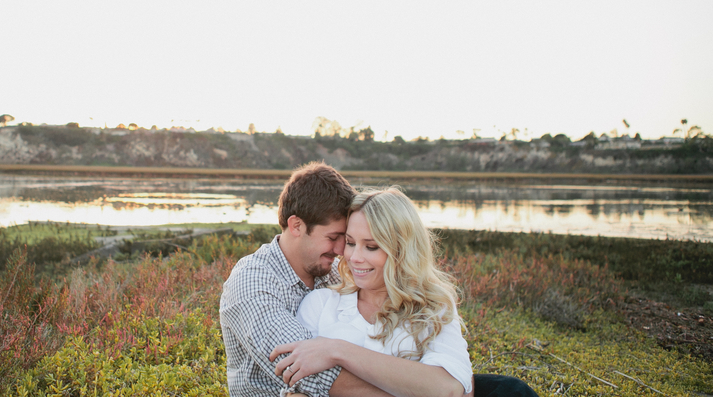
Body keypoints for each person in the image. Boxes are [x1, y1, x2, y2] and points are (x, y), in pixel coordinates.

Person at [220, 161, 538, 397]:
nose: (349, 254)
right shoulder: (254, 282)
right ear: (297, 225)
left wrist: (339, 349)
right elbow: (307, 376)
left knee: (507, 391)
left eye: (366, 244)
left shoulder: (334, 269)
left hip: (379, 381)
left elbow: (453, 386)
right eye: (340, 239)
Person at [270, 187, 471, 397]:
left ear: (401, 250)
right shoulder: (319, 304)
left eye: (371, 246)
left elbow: (448, 388)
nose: (354, 257)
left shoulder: (434, 307)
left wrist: (338, 351)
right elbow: (299, 389)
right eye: (350, 243)